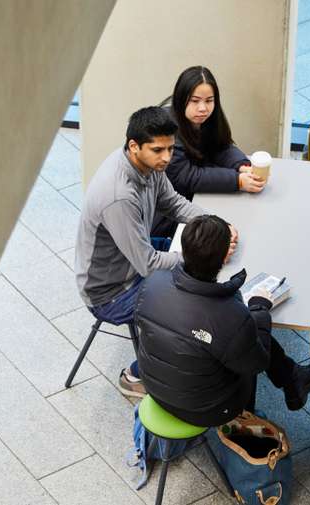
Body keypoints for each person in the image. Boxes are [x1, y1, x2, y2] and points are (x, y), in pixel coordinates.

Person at [74, 106, 236, 397]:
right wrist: (206, 252)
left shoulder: (148, 165)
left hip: (133, 259)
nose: (166, 158)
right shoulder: (118, 196)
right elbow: (148, 265)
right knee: (189, 314)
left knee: (199, 278)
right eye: (158, 150)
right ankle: (135, 375)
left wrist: (215, 226)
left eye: (171, 149)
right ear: (134, 146)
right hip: (111, 292)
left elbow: (172, 203)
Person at [134, 215, 310, 426]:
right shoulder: (230, 315)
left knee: (239, 337)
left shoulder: (152, 281)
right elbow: (258, 363)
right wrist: (259, 308)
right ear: (224, 259)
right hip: (206, 410)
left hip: (154, 388)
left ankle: (293, 379)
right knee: (248, 339)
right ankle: (284, 387)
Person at [152, 66, 266, 238]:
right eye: (195, 101)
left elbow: (221, 145)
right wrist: (238, 181)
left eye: (209, 100)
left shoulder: (207, 118)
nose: (203, 108)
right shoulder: (164, 128)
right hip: (167, 212)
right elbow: (186, 177)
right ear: (181, 98)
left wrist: (241, 166)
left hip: (198, 198)